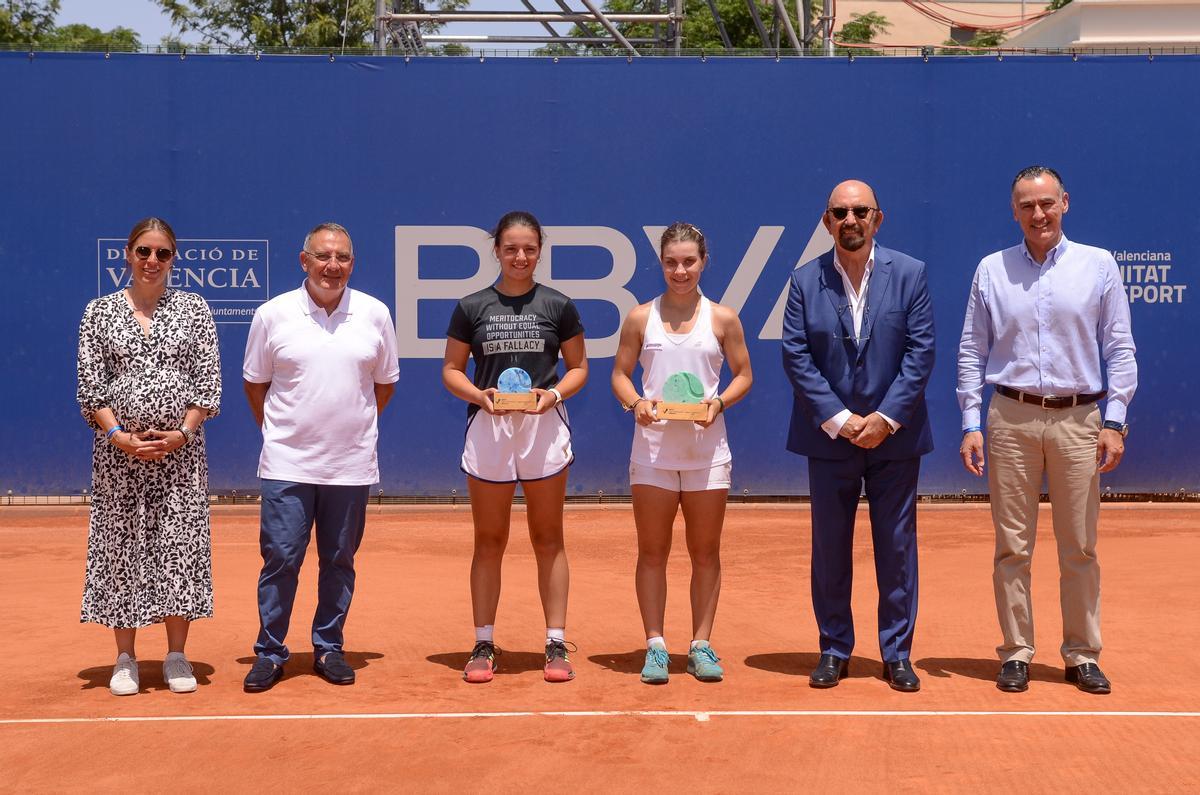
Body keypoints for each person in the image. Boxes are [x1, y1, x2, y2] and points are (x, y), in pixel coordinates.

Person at [958, 166, 1137, 695]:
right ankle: (1016, 651)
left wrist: (1115, 419)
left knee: (1079, 546)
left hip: (1080, 419)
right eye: (1026, 205)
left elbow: (1119, 349)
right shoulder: (991, 269)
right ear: (1013, 210)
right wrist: (971, 422)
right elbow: (973, 351)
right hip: (1009, 418)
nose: (1038, 214)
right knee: (1012, 545)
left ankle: (1082, 654)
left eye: (1047, 204)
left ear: (1065, 203)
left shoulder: (1098, 265)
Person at [782, 180, 935, 692]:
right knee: (830, 547)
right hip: (829, 439)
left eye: (860, 211)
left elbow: (920, 353)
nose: (851, 220)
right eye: (840, 212)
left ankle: (897, 653)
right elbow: (797, 357)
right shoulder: (804, 281)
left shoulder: (910, 274)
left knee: (896, 548)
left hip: (895, 438)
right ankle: (834, 648)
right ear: (827, 221)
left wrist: (885, 418)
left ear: (878, 217)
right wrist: (841, 419)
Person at [241, 222, 398, 693]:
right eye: (324, 256)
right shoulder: (272, 315)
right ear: (303, 260)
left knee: (339, 559)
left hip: (349, 465)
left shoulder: (374, 313)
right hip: (287, 463)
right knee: (282, 558)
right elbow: (255, 384)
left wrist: (350, 428)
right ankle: (270, 652)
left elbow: (384, 383)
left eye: (343, 257)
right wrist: (281, 433)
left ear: (353, 262)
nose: (334, 266)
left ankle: (328, 647)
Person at [76, 217, 221, 696]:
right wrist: (119, 435)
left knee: (178, 546)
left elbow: (207, 383)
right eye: (143, 251)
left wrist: (181, 433)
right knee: (124, 550)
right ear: (127, 254)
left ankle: (176, 656)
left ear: (173, 258)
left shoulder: (195, 310)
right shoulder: (99, 313)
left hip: (180, 455)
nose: (152, 261)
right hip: (120, 458)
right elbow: (90, 388)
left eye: (161, 252)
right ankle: (125, 658)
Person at [442, 210, 588, 684]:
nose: (520, 256)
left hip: (543, 429)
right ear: (497, 251)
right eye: (511, 249)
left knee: (549, 538)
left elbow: (579, 367)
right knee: (489, 540)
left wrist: (554, 395)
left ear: (540, 250)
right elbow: (451, 370)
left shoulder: (558, 305)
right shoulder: (471, 306)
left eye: (528, 248)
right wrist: (479, 396)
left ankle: (555, 642)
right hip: (489, 429)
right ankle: (483, 642)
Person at [611, 223, 752, 685]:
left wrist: (718, 403)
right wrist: (637, 403)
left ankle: (700, 644)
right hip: (651, 454)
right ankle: (655, 646)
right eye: (672, 261)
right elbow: (620, 375)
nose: (680, 270)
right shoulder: (639, 318)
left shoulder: (723, 319)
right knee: (652, 552)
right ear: (661, 262)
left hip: (707, 454)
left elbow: (744, 375)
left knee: (705, 552)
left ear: (703, 262)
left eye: (689, 261)